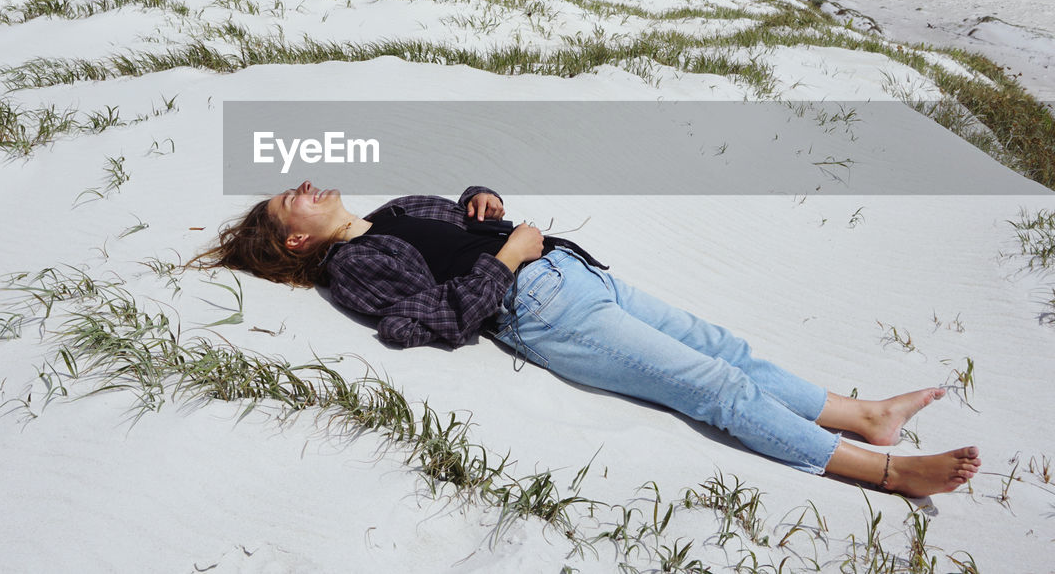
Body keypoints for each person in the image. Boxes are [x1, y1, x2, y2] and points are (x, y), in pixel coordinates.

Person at [197, 181, 981, 497]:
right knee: (714, 389)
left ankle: (864, 413)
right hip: (544, 312)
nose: (303, 187)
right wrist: (507, 256)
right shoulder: (346, 269)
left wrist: (482, 200)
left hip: (577, 272)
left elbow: (465, 219)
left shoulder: (398, 204)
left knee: (730, 353)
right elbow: (426, 324)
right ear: (294, 242)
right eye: (285, 202)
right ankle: (886, 472)